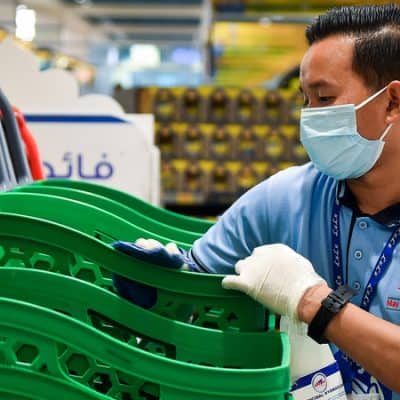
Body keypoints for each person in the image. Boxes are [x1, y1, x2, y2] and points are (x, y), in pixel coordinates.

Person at [113, 4, 400, 399]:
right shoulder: (285, 197)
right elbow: (199, 286)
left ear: (393, 102)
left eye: (324, 97)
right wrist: (163, 288)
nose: (309, 117)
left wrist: (315, 303)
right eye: (305, 99)